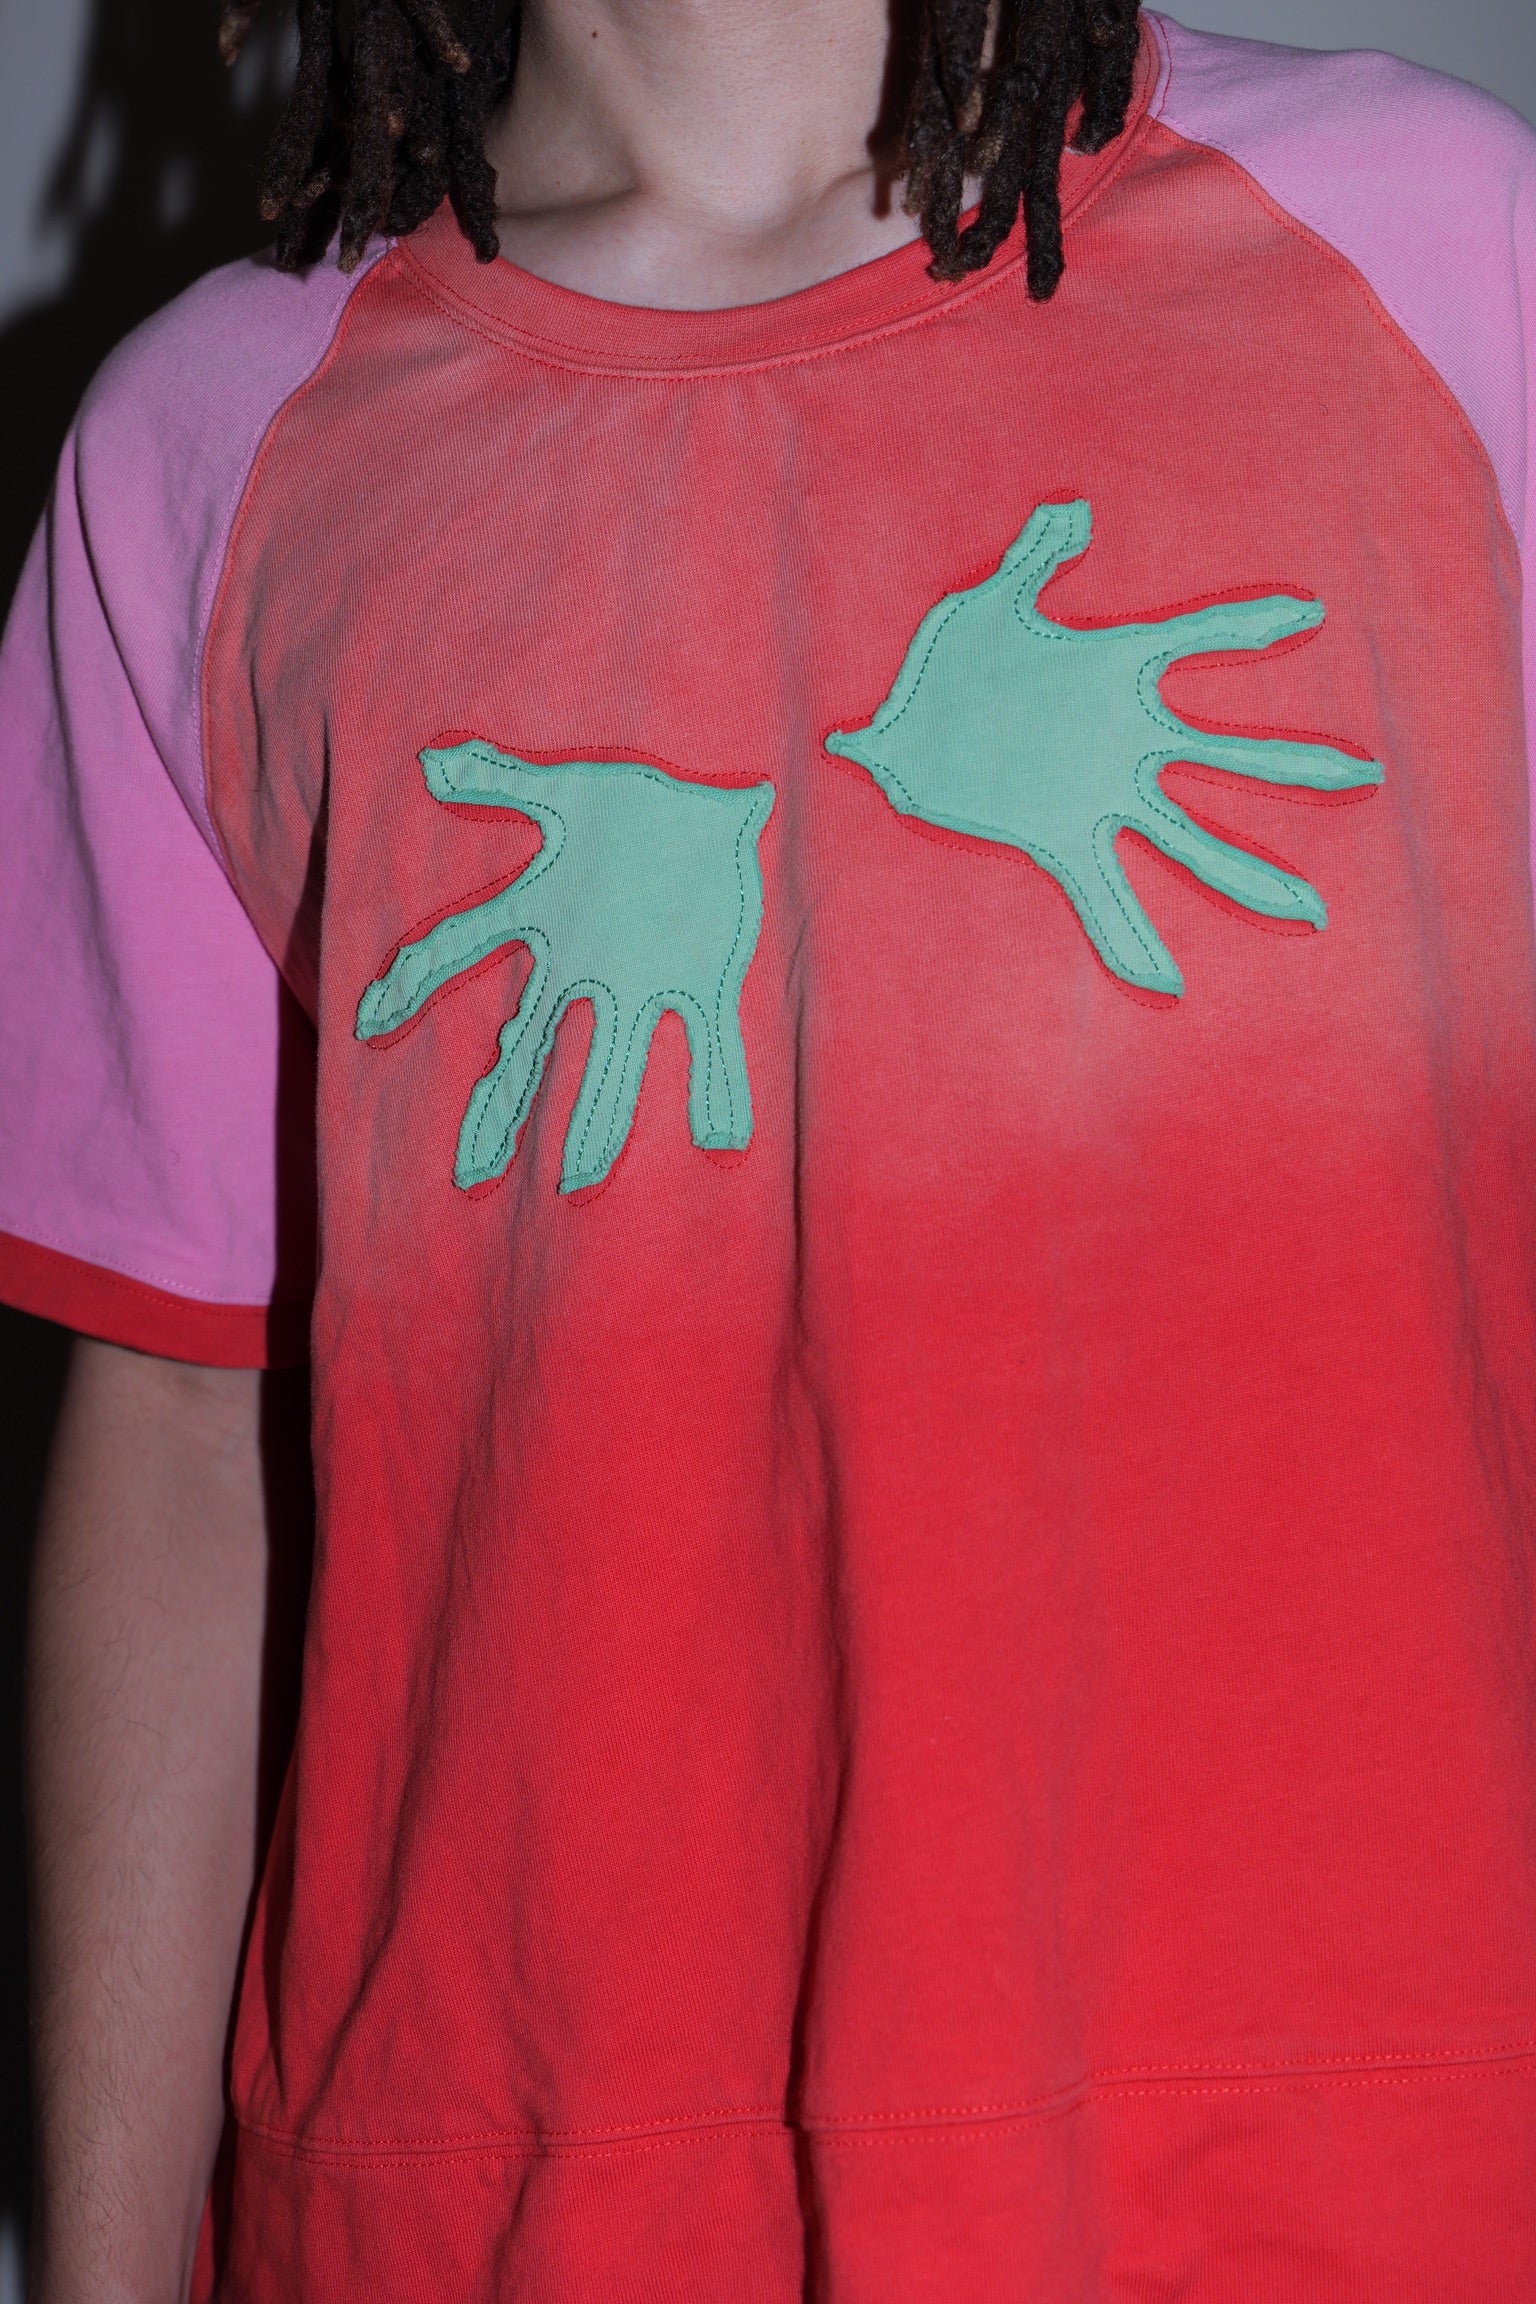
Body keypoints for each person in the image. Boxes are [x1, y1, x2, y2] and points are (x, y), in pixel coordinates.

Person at [4, 0, 1536, 2292]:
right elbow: (175, 1431)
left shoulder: (1431, 247)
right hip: (521, 2196)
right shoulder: (205, 448)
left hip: (1364, 2156)